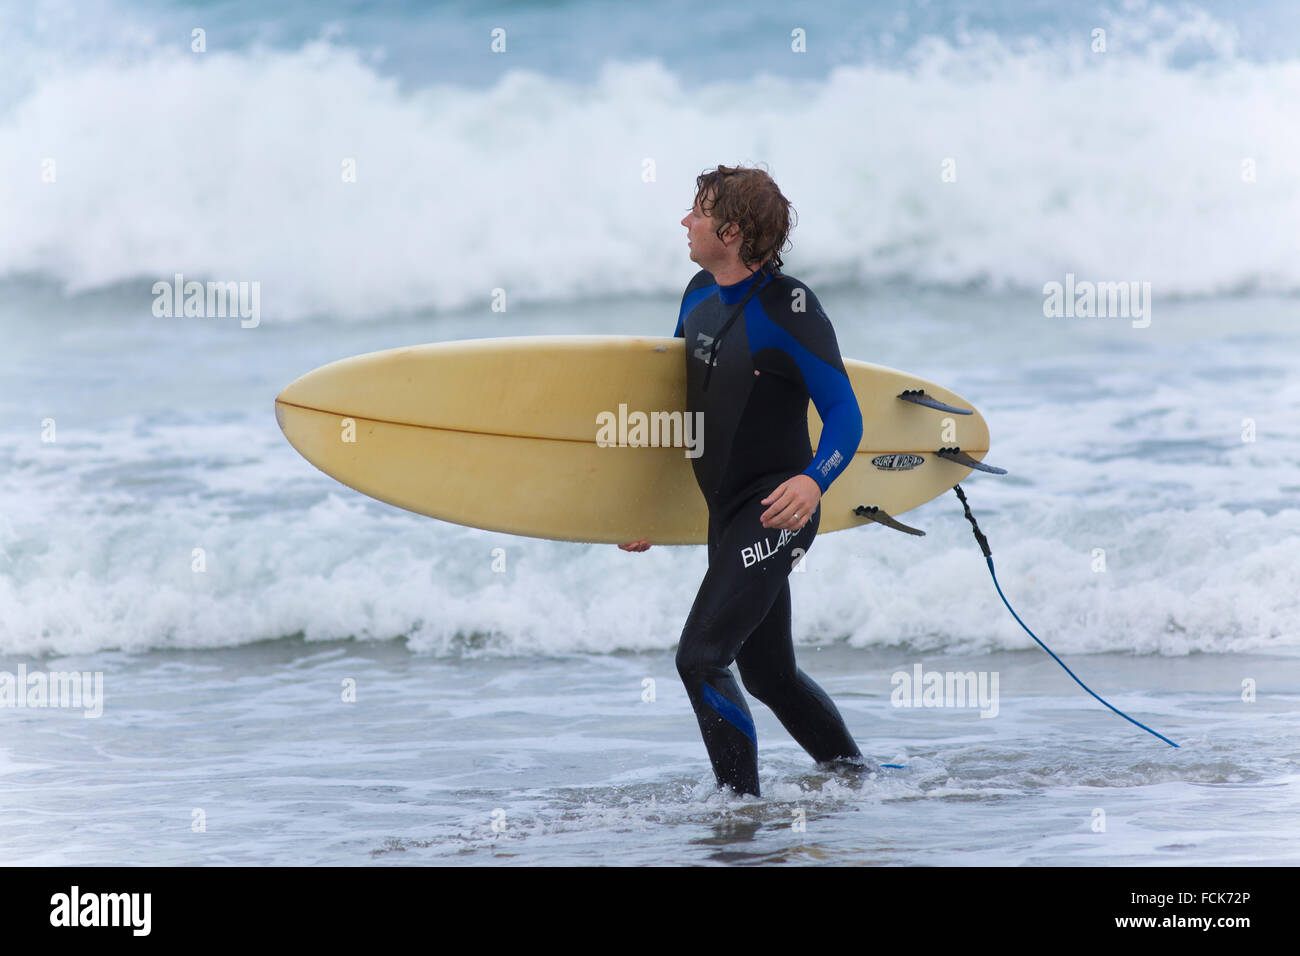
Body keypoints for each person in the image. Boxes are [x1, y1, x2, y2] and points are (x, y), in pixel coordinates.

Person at [620, 164, 871, 796]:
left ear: (730, 231)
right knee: (769, 675)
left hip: (777, 511)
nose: (685, 221)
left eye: (698, 212)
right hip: (724, 510)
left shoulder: (792, 309)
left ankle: (741, 811)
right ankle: (855, 778)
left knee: (701, 658)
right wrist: (644, 507)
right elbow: (684, 417)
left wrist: (815, 483)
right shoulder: (696, 296)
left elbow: (844, 412)